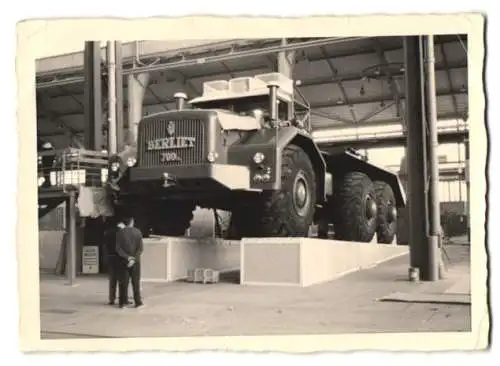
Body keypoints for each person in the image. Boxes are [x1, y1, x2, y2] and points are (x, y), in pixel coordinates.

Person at [115, 216, 144, 308]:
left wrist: (128, 258)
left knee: (124, 282)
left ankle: (122, 302)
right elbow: (140, 249)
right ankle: (138, 302)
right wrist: (133, 259)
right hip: (136, 262)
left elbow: (118, 249)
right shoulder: (138, 232)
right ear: (132, 222)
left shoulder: (120, 233)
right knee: (136, 282)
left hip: (123, 261)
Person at [103, 218, 131, 306]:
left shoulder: (108, 232)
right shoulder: (123, 233)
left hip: (110, 257)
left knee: (112, 279)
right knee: (123, 280)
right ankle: (124, 300)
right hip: (120, 258)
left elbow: (105, 245)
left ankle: (111, 299)